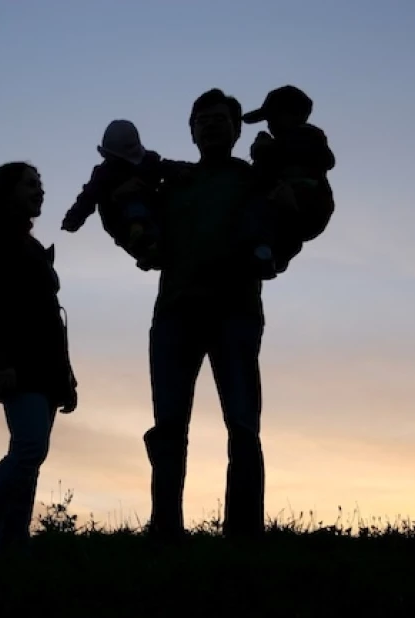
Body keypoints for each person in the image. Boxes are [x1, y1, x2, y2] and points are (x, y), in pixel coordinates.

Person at [116, 88, 334, 544]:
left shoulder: (257, 178)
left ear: (238, 129)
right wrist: (131, 230)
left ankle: (244, 534)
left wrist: (279, 249)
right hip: (175, 315)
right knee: (169, 426)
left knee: (242, 424)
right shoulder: (172, 182)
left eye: (221, 119)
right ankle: (165, 531)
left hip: (235, 313)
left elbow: (309, 212)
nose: (212, 124)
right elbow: (131, 221)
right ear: (191, 131)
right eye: (203, 119)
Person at [0, 161, 79, 556]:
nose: (39, 191)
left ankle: (13, 540)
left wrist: (67, 376)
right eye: (30, 185)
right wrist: (3, 361)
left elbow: (51, 314)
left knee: (30, 456)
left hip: (46, 365)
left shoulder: (31, 245)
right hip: (19, 362)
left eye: (40, 185)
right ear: (6, 191)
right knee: (28, 449)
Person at [61, 119, 192, 271]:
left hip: (153, 214)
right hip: (121, 221)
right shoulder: (104, 175)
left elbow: (168, 167)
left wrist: (189, 170)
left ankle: (157, 246)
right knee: (131, 200)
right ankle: (145, 247)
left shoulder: (149, 163)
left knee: (166, 193)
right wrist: (73, 219)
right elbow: (88, 197)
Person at [240, 85, 337, 279]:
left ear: (295, 115)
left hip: (309, 204)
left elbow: (325, 159)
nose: (269, 124)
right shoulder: (280, 147)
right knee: (271, 223)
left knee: (283, 227)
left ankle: (275, 255)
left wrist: (266, 150)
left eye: (273, 118)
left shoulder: (307, 137)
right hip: (287, 211)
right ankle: (269, 256)